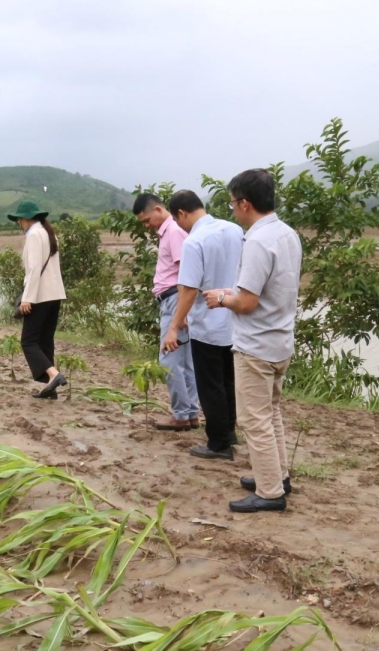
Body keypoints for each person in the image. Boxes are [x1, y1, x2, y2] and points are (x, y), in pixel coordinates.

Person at [204, 169, 302, 513]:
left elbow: (246, 302)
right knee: (270, 413)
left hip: (256, 345)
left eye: (232, 203)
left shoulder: (258, 241)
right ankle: (276, 476)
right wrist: (232, 293)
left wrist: (221, 298)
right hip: (279, 340)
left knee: (254, 419)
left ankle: (271, 492)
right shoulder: (287, 234)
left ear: (244, 203)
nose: (233, 209)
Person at [163, 190, 243, 460]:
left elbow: (187, 288)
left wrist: (175, 324)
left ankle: (219, 443)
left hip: (208, 323)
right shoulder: (234, 229)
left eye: (178, 220)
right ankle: (229, 431)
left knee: (210, 385)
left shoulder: (194, 240)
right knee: (228, 380)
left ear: (181, 214)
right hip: (234, 317)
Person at [133, 193, 200, 430]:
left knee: (169, 359)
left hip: (174, 300)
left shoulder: (173, 233)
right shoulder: (172, 233)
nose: (147, 226)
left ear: (159, 210)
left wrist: (179, 316)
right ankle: (190, 413)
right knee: (185, 361)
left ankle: (181, 414)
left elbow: (187, 274)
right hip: (175, 300)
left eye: (146, 220)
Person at [7, 201, 68, 398]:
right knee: (45, 340)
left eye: (19, 220)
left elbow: (34, 269)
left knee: (28, 341)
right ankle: (49, 387)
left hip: (40, 295)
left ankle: (54, 374)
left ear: (24, 219)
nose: (19, 223)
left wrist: (27, 298)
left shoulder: (33, 234)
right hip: (55, 294)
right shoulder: (49, 233)